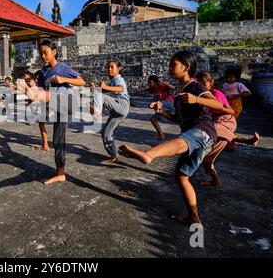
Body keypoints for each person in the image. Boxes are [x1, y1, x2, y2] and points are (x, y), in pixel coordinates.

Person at [119, 51, 224, 225]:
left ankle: (148, 155)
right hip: (196, 135)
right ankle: (194, 217)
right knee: (181, 176)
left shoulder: (195, 86)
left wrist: (197, 99)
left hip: (202, 131)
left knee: (184, 139)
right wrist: (162, 113)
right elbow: (178, 119)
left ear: (186, 67)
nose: (169, 68)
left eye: (173, 64)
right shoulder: (178, 92)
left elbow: (218, 104)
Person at [17, 40, 85, 184]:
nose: (42, 56)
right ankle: (60, 173)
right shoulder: (42, 72)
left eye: (45, 52)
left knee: (56, 91)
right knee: (58, 141)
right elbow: (43, 91)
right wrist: (34, 88)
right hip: (56, 107)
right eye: (41, 53)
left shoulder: (62, 67)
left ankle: (32, 94)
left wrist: (63, 79)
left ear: (54, 52)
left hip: (68, 102)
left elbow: (81, 81)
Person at [90, 59, 130, 163]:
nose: (109, 69)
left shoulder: (118, 79)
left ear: (119, 69)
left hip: (122, 105)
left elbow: (121, 89)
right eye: (108, 67)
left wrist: (104, 87)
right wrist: (95, 89)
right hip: (117, 112)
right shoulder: (113, 82)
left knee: (99, 96)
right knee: (106, 133)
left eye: (112, 67)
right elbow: (104, 92)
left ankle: (98, 113)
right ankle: (113, 156)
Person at [22, 70, 50, 151]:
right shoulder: (36, 85)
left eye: (39, 78)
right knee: (41, 125)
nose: (37, 80)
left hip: (47, 106)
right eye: (36, 78)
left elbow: (34, 97)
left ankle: (46, 145)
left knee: (42, 125)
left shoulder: (40, 86)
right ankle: (45, 145)